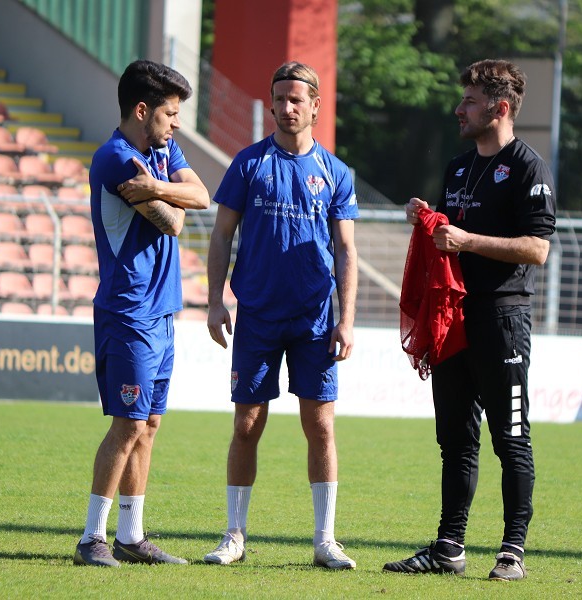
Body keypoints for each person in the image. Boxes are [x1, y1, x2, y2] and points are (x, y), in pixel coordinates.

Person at [382, 59, 556, 581]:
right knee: (455, 441)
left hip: (502, 319)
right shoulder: (458, 167)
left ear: (499, 109)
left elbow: (537, 249)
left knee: (511, 439)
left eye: (470, 101)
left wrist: (467, 239)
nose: (459, 109)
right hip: (452, 319)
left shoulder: (528, 167)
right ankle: (448, 548)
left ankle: (512, 552)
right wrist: (426, 218)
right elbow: (448, 237)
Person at [203, 62, 359, 570]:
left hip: (315, 320)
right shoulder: (248, 164)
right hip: (258, 317)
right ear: (271, 104)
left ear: (315, 106)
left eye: (297, 99)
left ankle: (325, 540)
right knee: (246, 425)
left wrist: (346, 319)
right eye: (280, 99)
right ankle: (234, 535)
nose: (287, 107)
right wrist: (214, 301)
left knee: (321, 426)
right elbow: (222, 235)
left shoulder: (335, 172)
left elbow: (346, 250)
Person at [74, 59, 209, 567]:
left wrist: (156, 187)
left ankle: (131, 537)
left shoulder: (161, 152)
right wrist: (166, 194)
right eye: (170, 113)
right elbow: (174, 222)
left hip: (162, 310)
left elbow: (201, 196)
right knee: (128, 425)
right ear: (140, 110)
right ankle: (91, 538)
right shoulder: (116, 158)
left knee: (149, 423)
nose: (176, 124)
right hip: (128, 311)